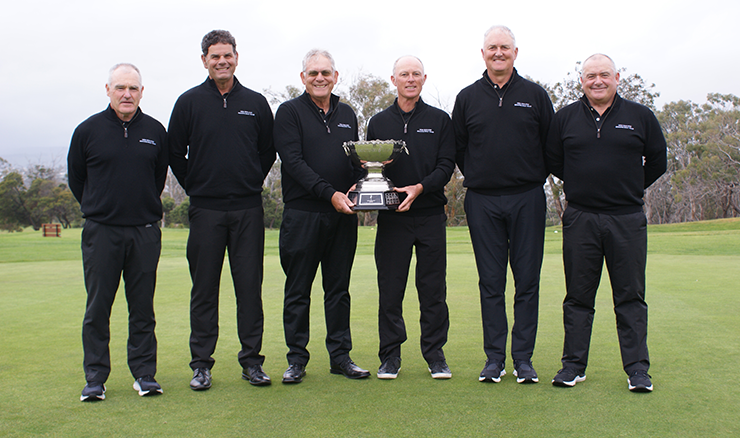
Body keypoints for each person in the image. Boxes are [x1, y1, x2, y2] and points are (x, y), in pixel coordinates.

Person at [546, 54, 666, 392]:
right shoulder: (565, 117)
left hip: (626, 217)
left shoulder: (640, 116)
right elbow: (554, 158)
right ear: (581, 81)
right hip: (581, 216)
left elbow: (658, 159)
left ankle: (637, 370)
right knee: (578, 297)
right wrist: (583, 181)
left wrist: (630, 183)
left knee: (630, 296)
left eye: (603, 75)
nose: (597, 81)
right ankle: (573, 366)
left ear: (616, 78)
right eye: (589, 76)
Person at [168, 30, 276, 389]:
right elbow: (174, 154)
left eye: (227, 55)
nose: (222, 61)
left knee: (249, 288)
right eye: (214, 56)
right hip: (205, 211)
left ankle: (252, 362)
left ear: (236, 57)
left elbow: (266, 152)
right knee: (204, 290)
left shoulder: (256, 103)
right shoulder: (188, 103)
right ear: (204, 60)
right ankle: (201, 364)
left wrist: (247, 181)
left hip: (247, 209)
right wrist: (197, 186)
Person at [452, 25, 553, 384]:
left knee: (527, 281)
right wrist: (482, 174)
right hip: (482, 200)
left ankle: (523, 359)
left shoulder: (535, 95)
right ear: (483, 53)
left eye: (505, 47)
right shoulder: (466, 97)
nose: (498, 53)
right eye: (492, 47)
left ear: (515, 52)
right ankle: (494, 359)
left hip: (527, 198)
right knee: (491, 283)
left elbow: (550, 146)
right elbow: (460, 147)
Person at [68, 63, 168, 401]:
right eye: (120, 88)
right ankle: (95, 378)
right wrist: (102, 209)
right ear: (108, 90)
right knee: (98, 308)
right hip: (102, 232)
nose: (127, 94)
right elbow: (77, 180)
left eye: (133, 89)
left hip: (143, 232)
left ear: (142, 92)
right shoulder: (88, 131)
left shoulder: (155, 130)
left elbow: (157, 179)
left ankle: (144, 374)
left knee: (142, 308)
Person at [274, 49, 369, 384]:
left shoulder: (347, 114)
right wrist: (330, 194)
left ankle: (340, 357)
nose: (319, 78)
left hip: (343, 216)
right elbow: (294, 163)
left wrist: (365, 179)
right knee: (298, 290)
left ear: (335, 76)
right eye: (313, 73)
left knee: (338, 289)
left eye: (325, 73)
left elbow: (352, 161)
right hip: (303, 215)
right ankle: (297, 360)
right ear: (303, 78)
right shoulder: (288, 113)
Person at [365, 56, 455, 380]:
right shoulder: (377, 122)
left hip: (430, 215)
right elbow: (371, 165)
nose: (410, 79)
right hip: (392, 219)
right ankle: (390, 356)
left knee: (432, 291)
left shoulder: (440, 120)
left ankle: (435, 355)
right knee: (390, 290)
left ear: (424, 78)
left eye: (416, 74)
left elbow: (446, 166)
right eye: (404, 74)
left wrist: (419, 188)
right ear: (394, 79)